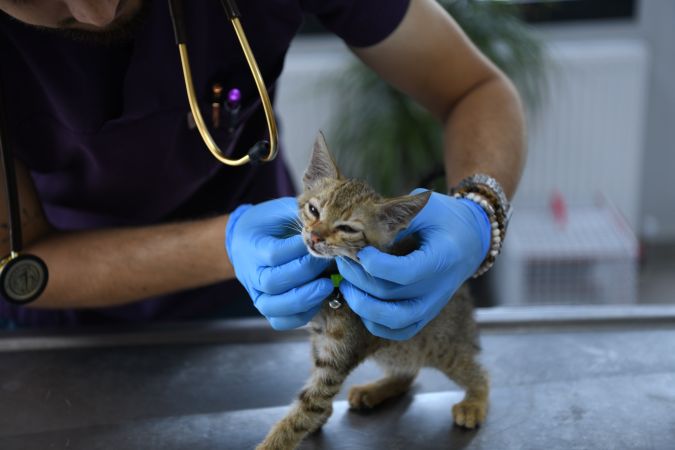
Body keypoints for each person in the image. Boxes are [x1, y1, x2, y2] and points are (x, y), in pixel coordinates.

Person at [0, 0, 525, 337]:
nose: (96, 10)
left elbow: (474, 90)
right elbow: (17, 265)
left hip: (268, 303)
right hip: (58, 326)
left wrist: (479, 215)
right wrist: (227, 243)